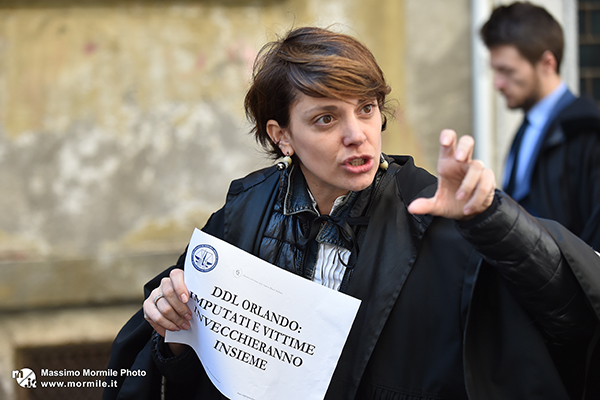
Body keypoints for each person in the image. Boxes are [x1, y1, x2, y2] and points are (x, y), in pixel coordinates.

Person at [104, 26, 600, 400]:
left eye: (366, 108)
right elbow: (186, 363)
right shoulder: (242, 215)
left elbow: (572, 313)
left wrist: (492, 217)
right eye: (325, 118)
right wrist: (170, 332)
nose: (357, 133)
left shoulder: (435, 212)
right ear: (281, 135)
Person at [480, 2, 600, 250]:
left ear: (547, 63)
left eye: (507, 70)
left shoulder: (589, 133)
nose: (498, 84)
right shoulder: (526, 131)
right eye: (495, 71)